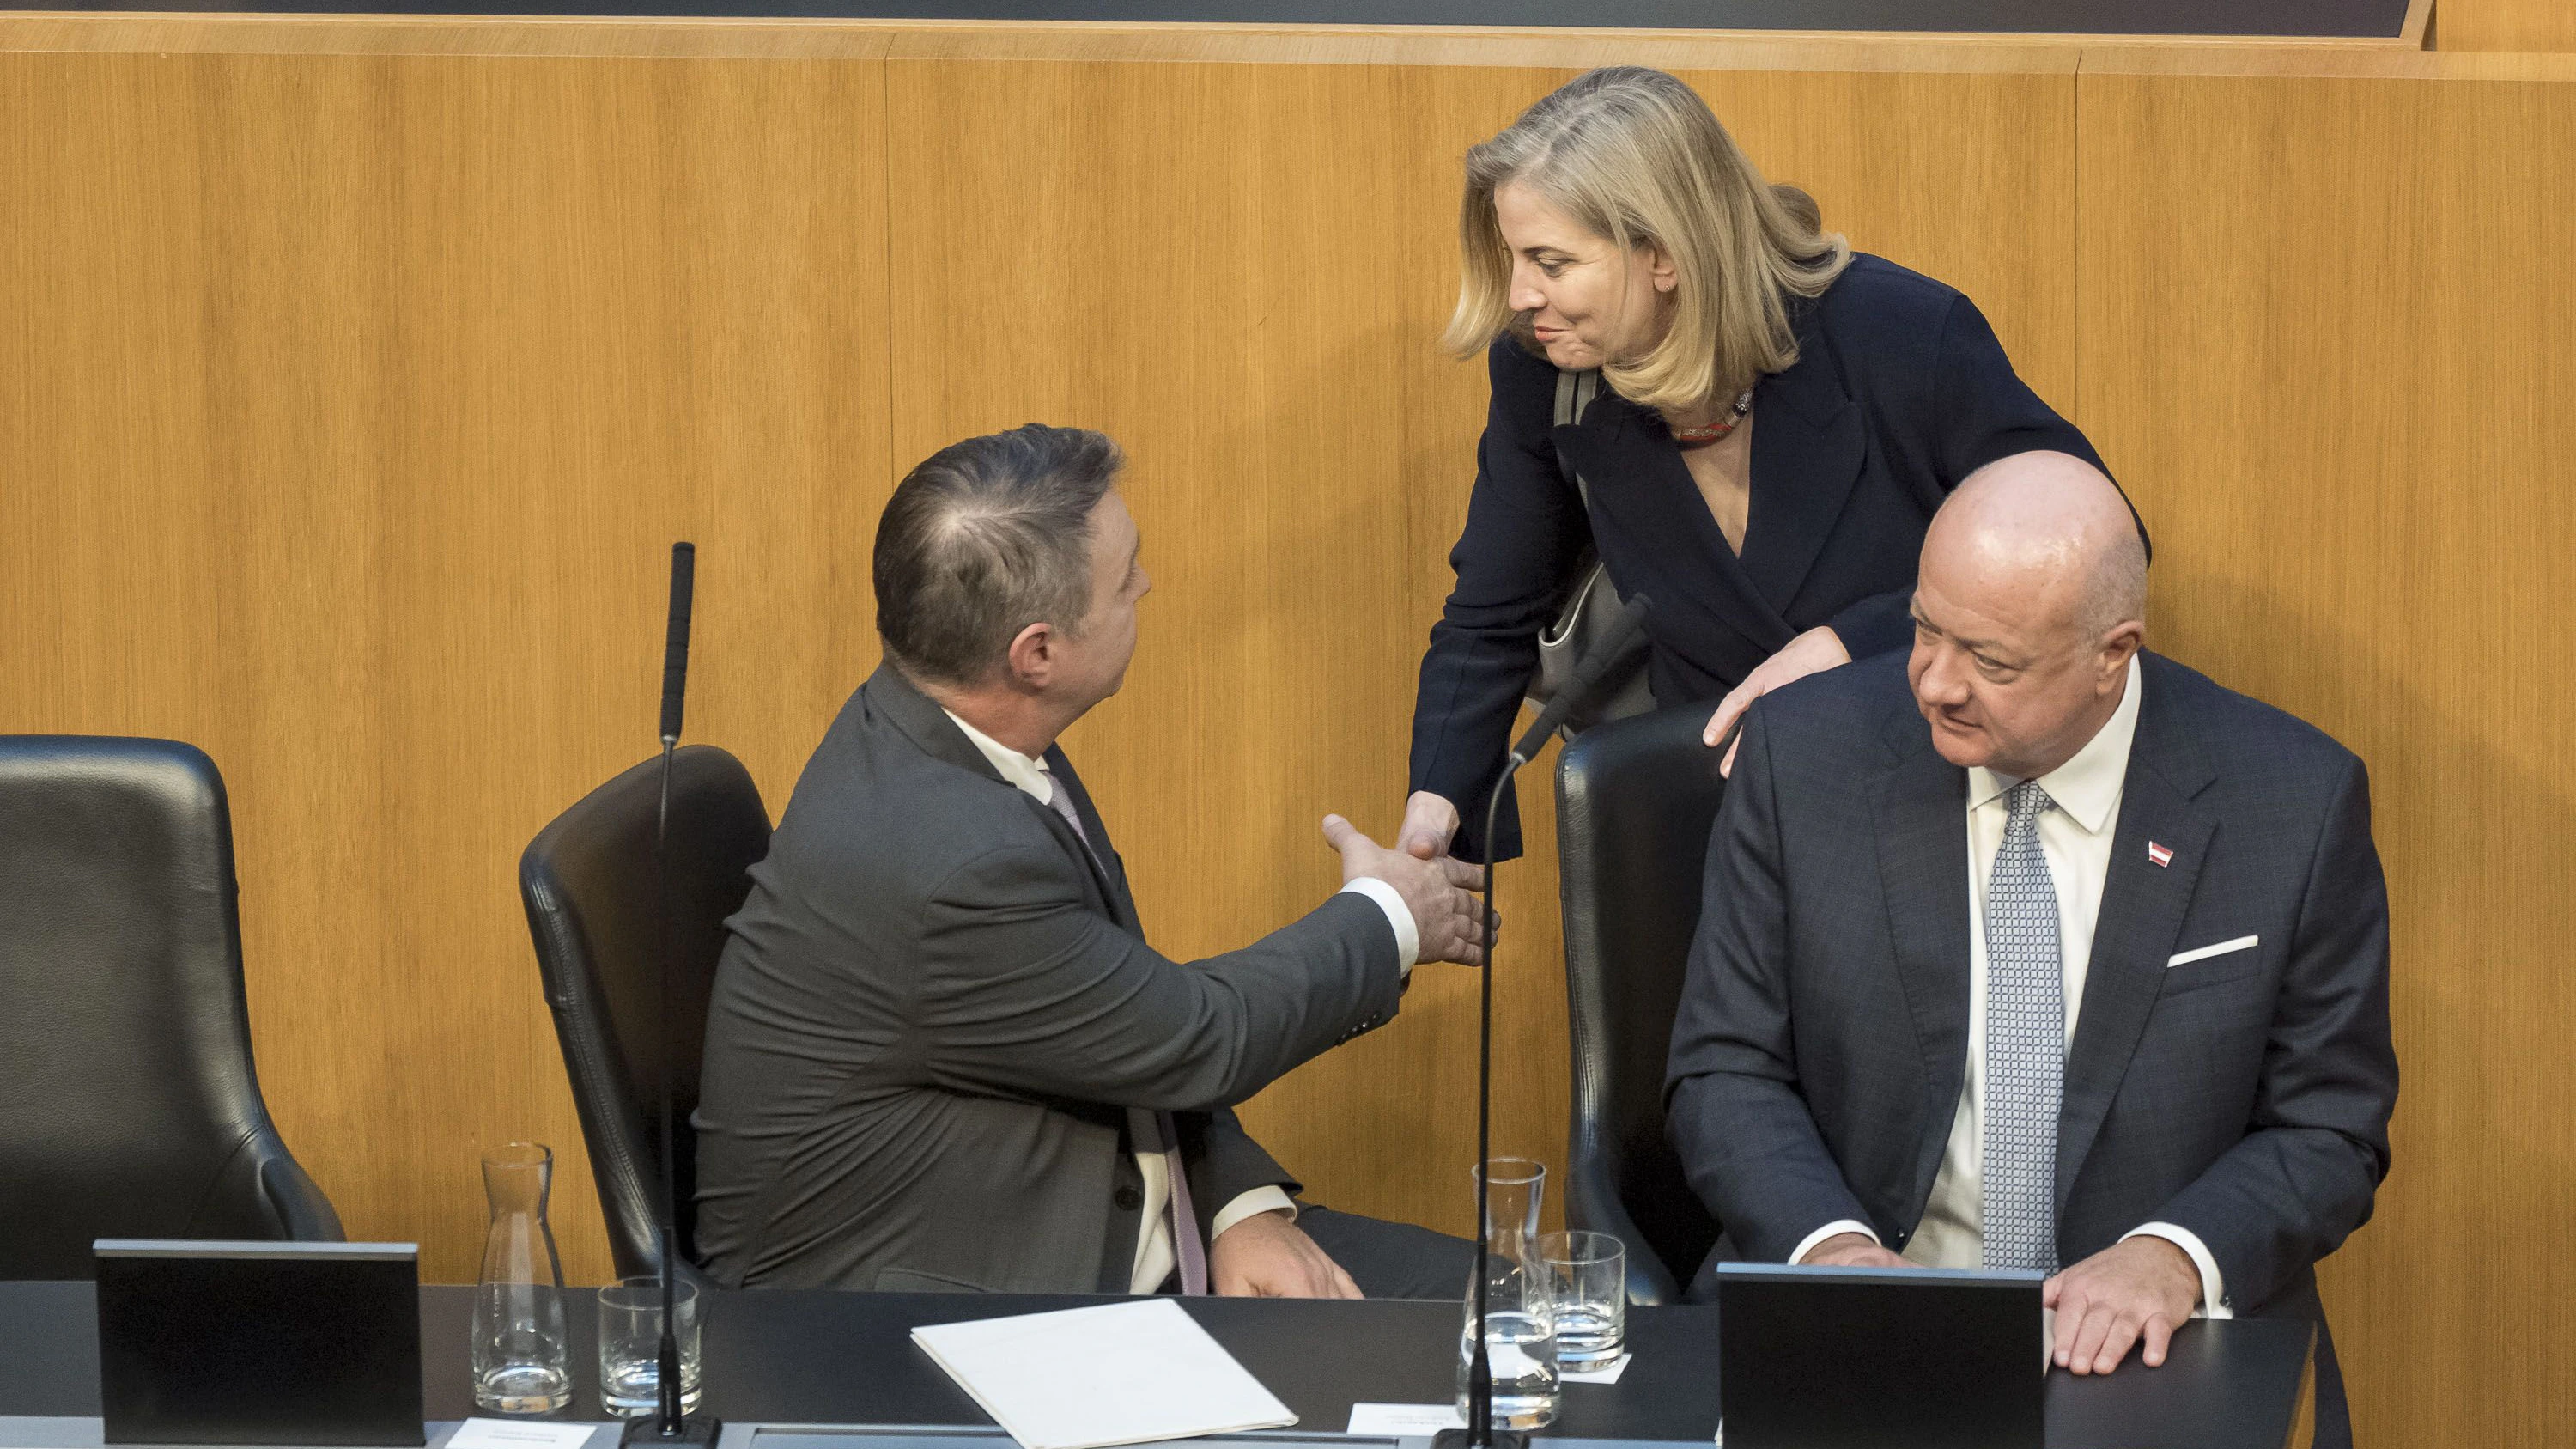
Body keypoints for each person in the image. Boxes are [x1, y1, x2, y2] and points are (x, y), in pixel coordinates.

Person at [1663, 452, 2395, 1446]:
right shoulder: (1805, 756)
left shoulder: (2290, 802)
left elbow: (2330, 1123)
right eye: (1924, 628)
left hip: (2146, 1343)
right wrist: (1831, 1251)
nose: (1935, 681)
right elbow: (1724, 1064)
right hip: (1861, 1320)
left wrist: (2174, 1255)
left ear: (2112, 654)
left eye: (1991, 661)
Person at [694, 424, 1482, 1300]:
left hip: (1100, 1211)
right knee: (1512, 1346)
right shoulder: (958, 862)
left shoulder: (956, 731)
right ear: (1037, 653)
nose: (1146, 584)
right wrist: (1392, 913)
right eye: (1126, 576)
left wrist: (1237, 1205)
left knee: (1527, 1314)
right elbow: (1198, 1033)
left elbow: (1120, 1017)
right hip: (944, 1315)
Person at [1398, 65, 2122, 866]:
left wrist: (1848, 646)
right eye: (1512, 257)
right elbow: (1490, 618)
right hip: (1720, 836)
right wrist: (1431, 822)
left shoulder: (1898, 331)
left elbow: (2091, 548)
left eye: (1551, 262)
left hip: (1942, 805)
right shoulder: (1545, 374)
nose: (1518, 295)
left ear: (1663, 255)